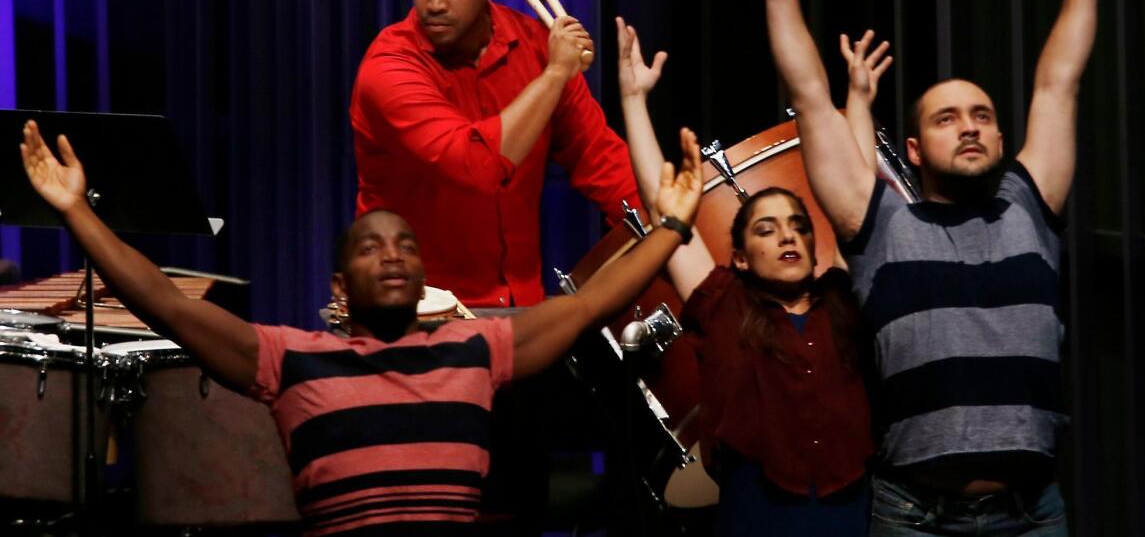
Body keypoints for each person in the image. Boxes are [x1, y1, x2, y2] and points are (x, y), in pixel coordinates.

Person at [18, 119, 702, 536]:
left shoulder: (474, 347)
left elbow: (587, 305)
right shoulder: (293, 358)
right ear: (339, 289)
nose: (394, 253)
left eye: (405, 245)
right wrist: (77, 212)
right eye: (371, 246)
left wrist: (671, 227)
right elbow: (166, 303)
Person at [762, 0, 1095, 535]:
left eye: (982, 117)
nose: (968, 128)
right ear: (912, 150)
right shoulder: (883, 224)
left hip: (1031, 513)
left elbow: (1060, 80)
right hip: (916, 516)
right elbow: (808, 94)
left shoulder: (1030, 205)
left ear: (1002, 140)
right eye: (947, 118)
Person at [615, 10, 892, 536]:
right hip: (755, 517)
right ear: (739, 257)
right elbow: (665, 210)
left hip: (851, 516)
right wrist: (633, 100)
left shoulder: (844, 296)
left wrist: (859, 102)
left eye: (797, 227)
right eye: (766, 230)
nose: (787, 236)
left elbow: (858, 195)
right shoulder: (724, 304)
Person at [350, 0, 641, 309]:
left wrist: (664, 233)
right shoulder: (389, 66)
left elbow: (601, 160)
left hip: (518, 307)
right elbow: (477, 166)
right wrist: (556, 72)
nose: (434, 4)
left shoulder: (535, 43)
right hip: (417, 312)